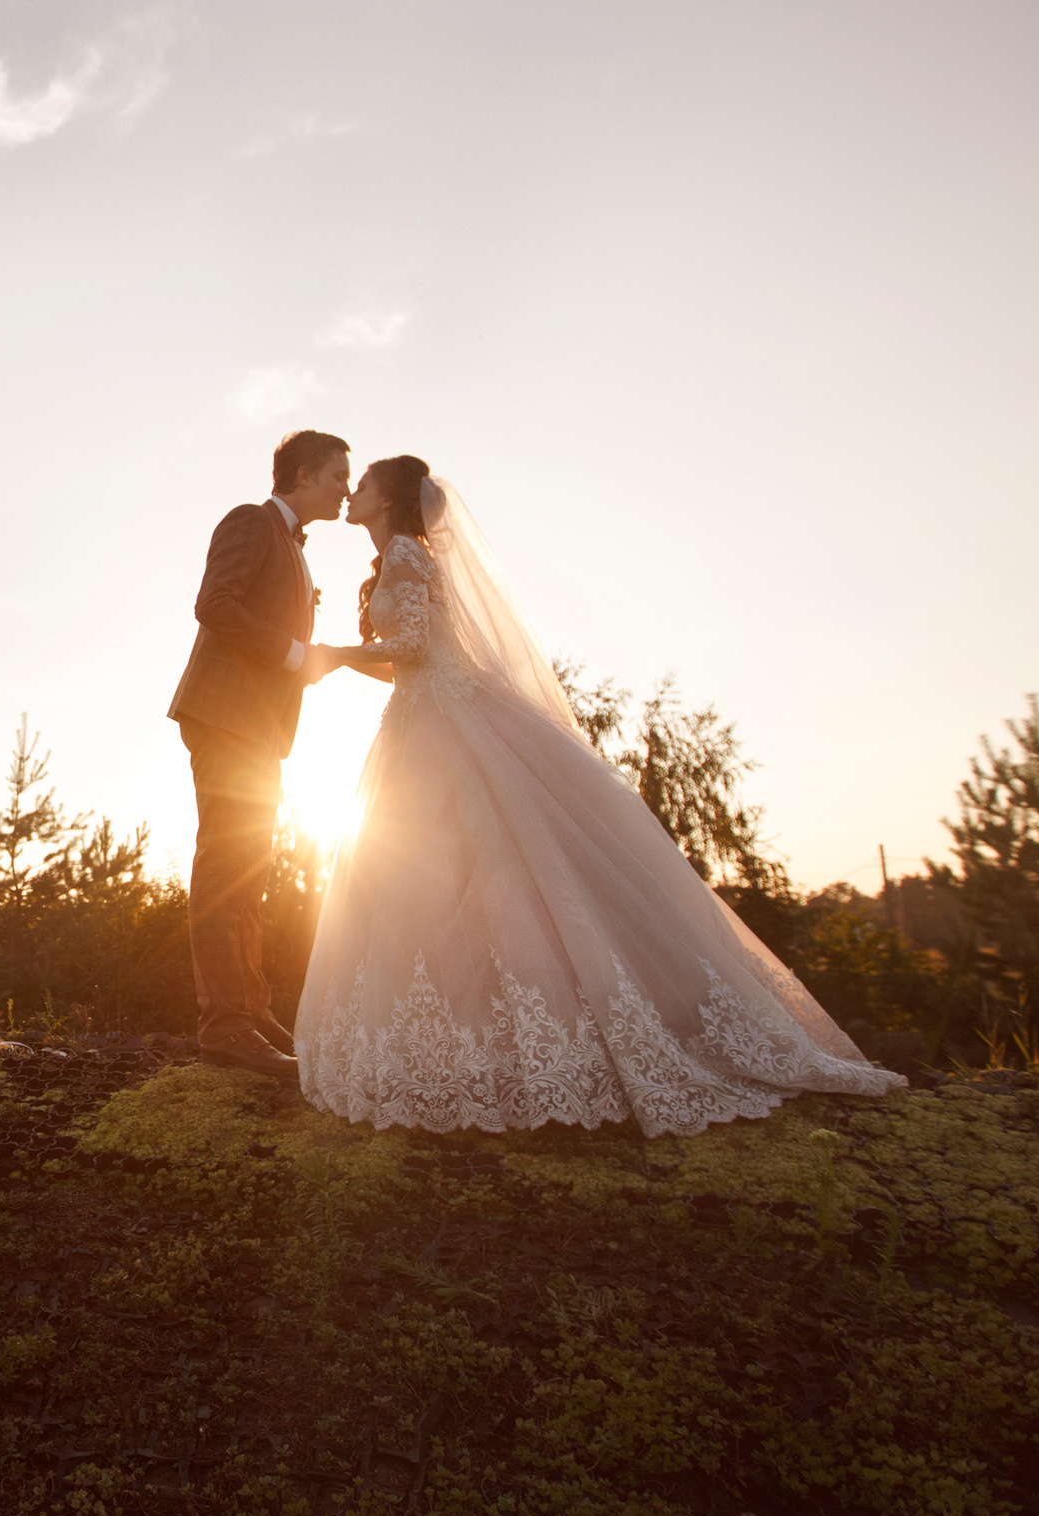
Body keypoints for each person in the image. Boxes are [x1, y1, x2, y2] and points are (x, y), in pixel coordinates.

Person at [295, 456, 903, 1135]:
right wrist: (355, 663)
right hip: (422, 723)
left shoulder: (407, 554)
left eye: (366, 483)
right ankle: (462, 1046)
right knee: (447, 888)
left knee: (462, 883)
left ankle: (514, 1044)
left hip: (441, 736)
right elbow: (417, 665)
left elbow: (408, 647)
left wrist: (334, 656)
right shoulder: (400, 558)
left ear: (391, 500)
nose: (353, 492)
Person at [166, 429, 353, 1080]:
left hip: (258, 727)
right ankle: (224, 1025)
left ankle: (251, 1009)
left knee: (250, 866)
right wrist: (299, 655)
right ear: (301, 474)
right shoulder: (250, 521)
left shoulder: (294, 547)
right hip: (225, 717)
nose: (346, 489)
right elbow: (213, 605)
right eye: (336, 476)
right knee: (226, 864)